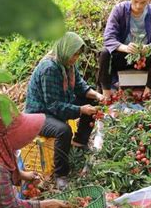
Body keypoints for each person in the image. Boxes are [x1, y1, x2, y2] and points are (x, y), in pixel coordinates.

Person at [25, 32, 104, 190]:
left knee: (92, 101)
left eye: (77, 55)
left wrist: (96, 95)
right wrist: (81, 109)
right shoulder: (50, 69)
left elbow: (80, 86)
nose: (75, 58)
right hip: (39, 114)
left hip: (56, 105)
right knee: (63, 130)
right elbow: (53, 105)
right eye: (74, 54)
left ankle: (79, 143)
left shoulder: (67, 63)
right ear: (65, 50)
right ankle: (60, 174)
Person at [98, 0, 151, 100]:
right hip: (123, 56)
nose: (138, 6)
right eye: (135, 1)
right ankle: (106, 92)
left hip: (144, 58)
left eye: (143, 3)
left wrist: (148, 49)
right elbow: (108, 37)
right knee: (104, 53)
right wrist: (125, 48)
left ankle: (149, 90)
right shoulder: (119, 10)